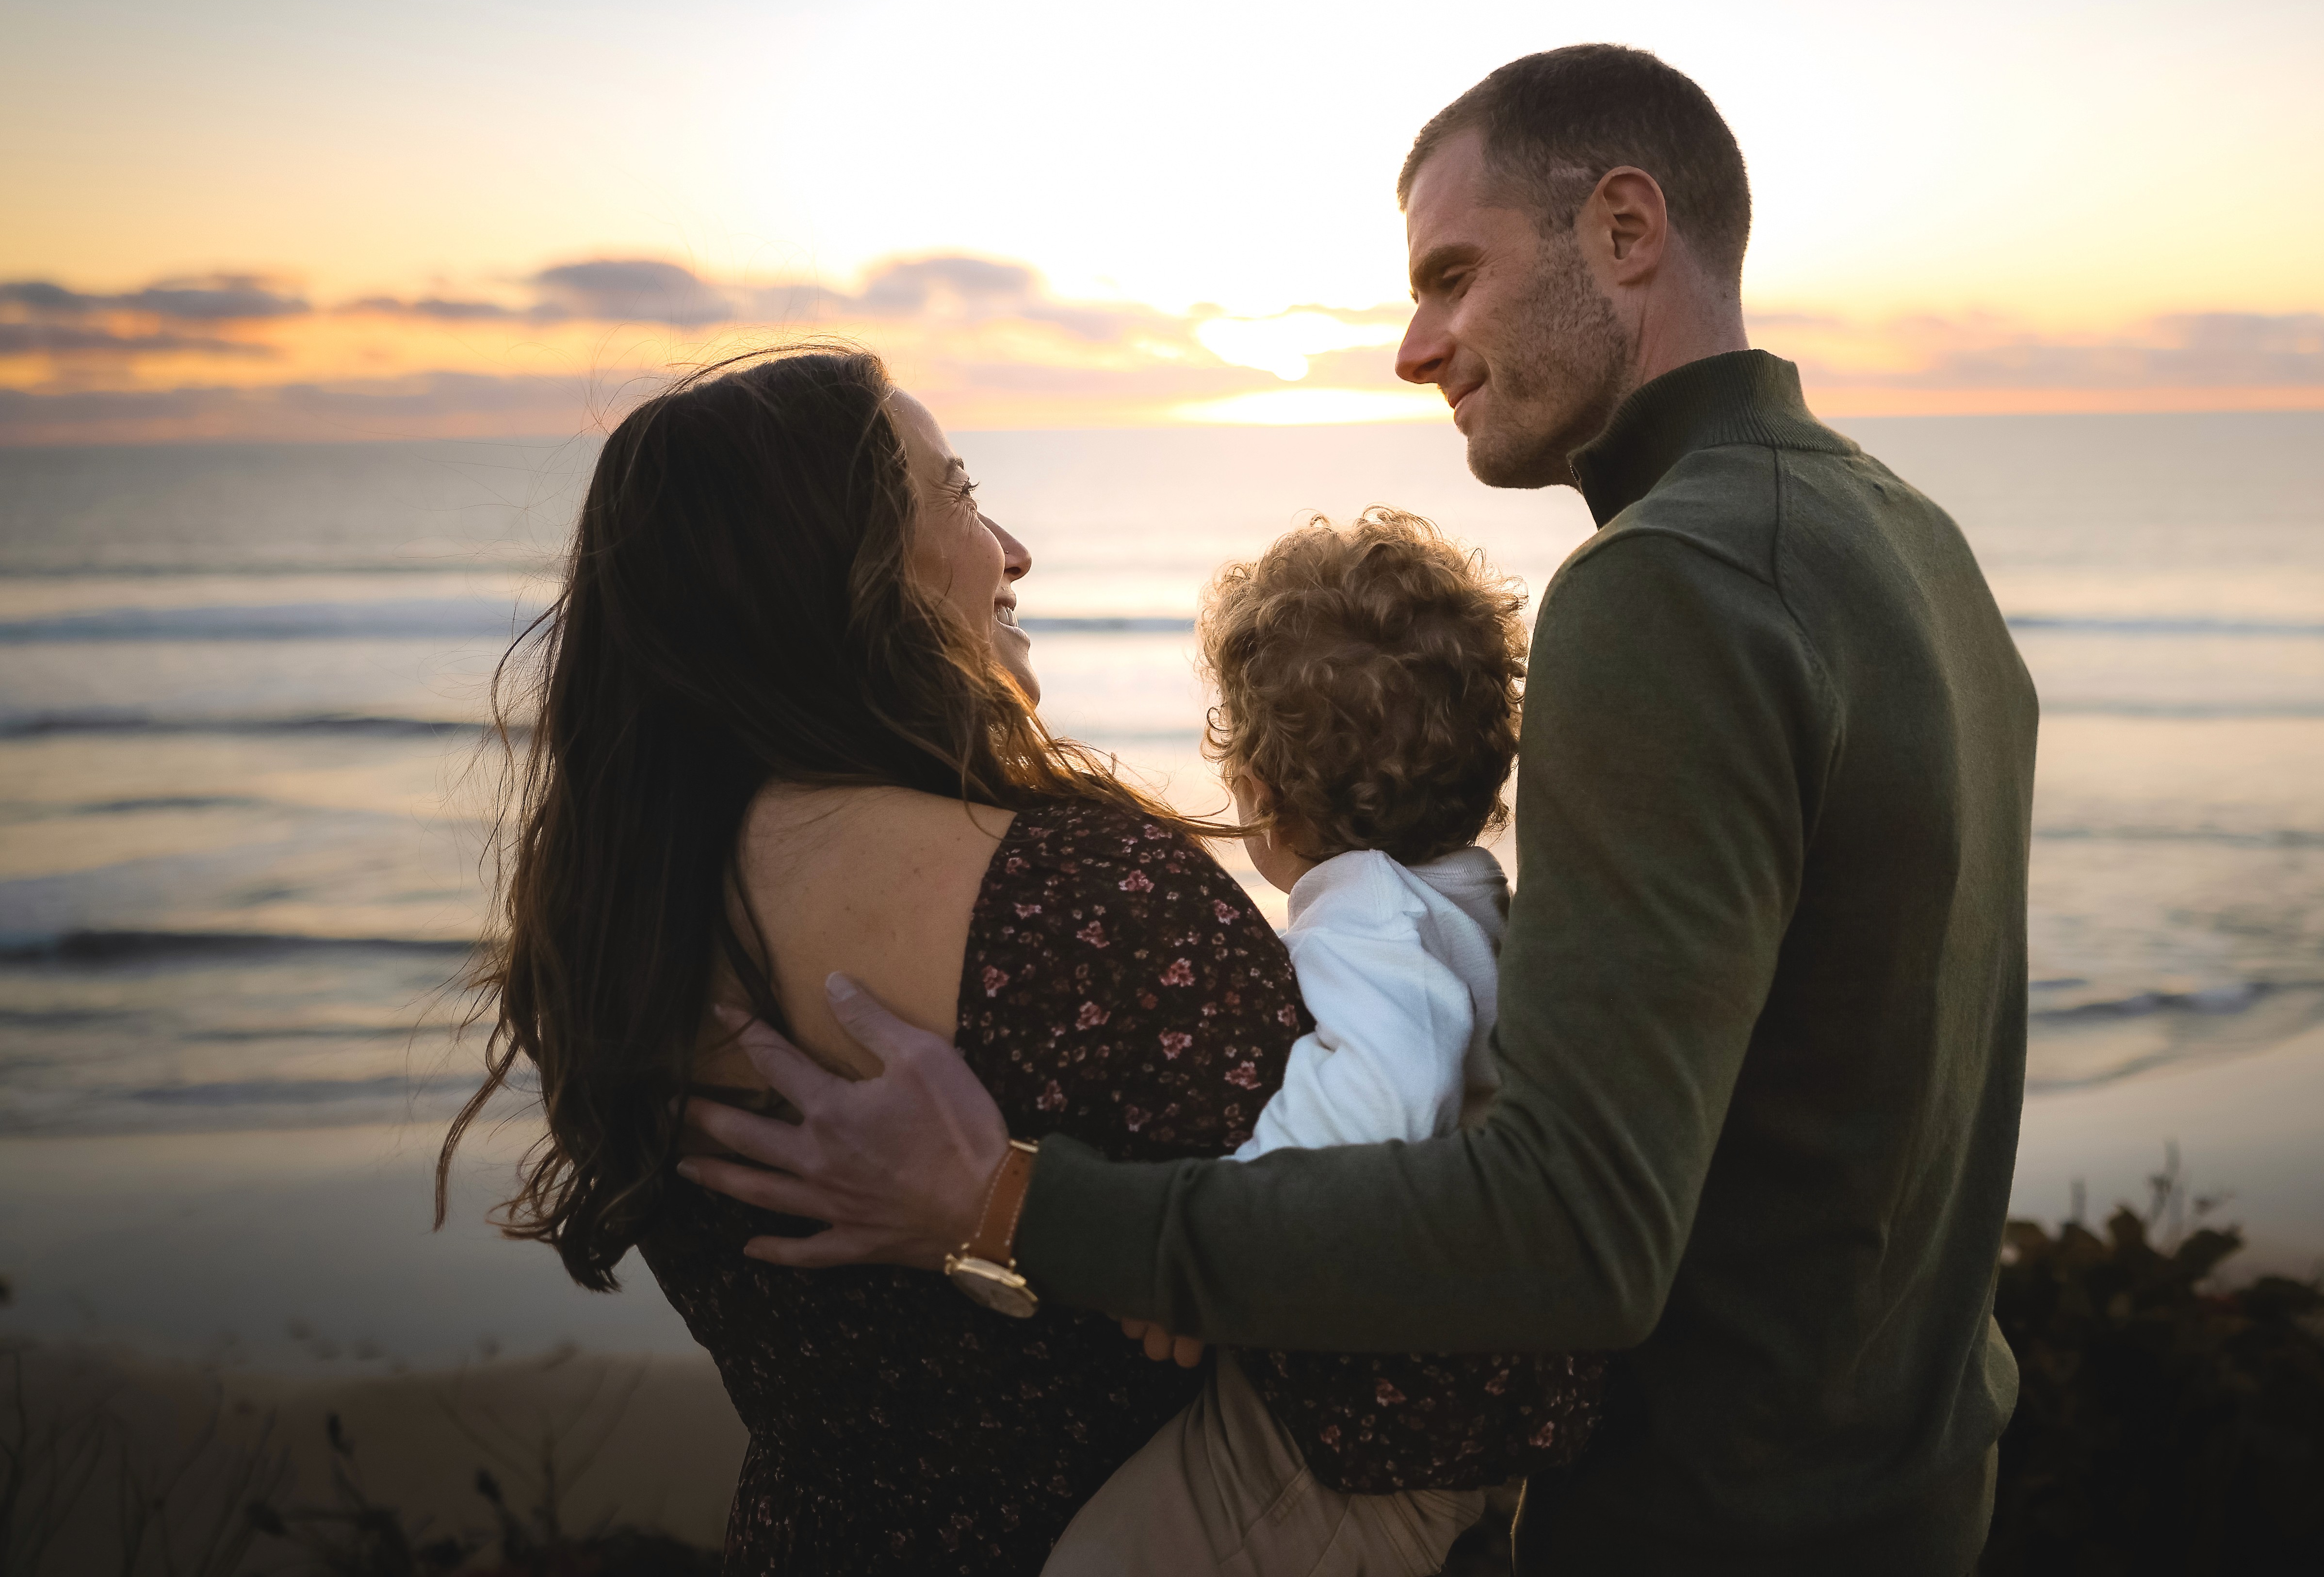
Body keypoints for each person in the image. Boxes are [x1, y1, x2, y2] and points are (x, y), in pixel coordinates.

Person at [685, 45, 2041, 1573]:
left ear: (1625, 229)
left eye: (1454, 276)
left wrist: (1008, 1205)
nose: (1415, 346)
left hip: (1719, 1519)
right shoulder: (1910, 542)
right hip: (1913, 1488)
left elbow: (1575, 1235)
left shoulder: (1668, 588)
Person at [440, 346, 1592, 1576]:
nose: (1013, 548)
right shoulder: (1072, 905)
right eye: (962, 492)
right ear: (856, 569)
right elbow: (1429, 1361)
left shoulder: (618, 927)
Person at [1047, 508, 1583, 1573]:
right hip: (1464, 1410)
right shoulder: (1471, 897)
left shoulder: (1365, 910)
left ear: (1261, 793)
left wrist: (1209, 1243)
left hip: (1352, 1443)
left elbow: (1383, 1091)